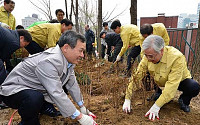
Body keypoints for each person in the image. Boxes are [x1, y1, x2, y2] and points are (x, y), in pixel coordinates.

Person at [0, 31, 97, 125]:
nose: (82, 55)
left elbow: (72, 84)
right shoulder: (50, 61)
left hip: (36, 88)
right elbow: (56, 92)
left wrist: (82, 106)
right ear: (66, 48)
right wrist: (80, 117)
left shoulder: (68, 61)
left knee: (62, 83)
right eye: (80, 51)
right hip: (13, 91)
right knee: (34, 98)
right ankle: (28, 121)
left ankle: (44, 108)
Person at [122, 35, 200, 121]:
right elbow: (137, 76)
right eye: (146, 55)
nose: (148, 59)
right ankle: (157, 93)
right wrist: (127, 98)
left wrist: (156, 106)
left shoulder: (177, 57)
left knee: (193, 86)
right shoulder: (147, 57)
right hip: (158, 79)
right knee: (143, 74)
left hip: (179, 82)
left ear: (161, 51)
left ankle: (184, 100)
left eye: (151, 56)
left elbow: (171, 86)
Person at [0, 27, 32, 108]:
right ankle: (2, 99)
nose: (22, 47)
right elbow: (4, 57)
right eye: (25, 44)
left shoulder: (10, 33)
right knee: (1, 72)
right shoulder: (14, 42)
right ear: (21, 38)